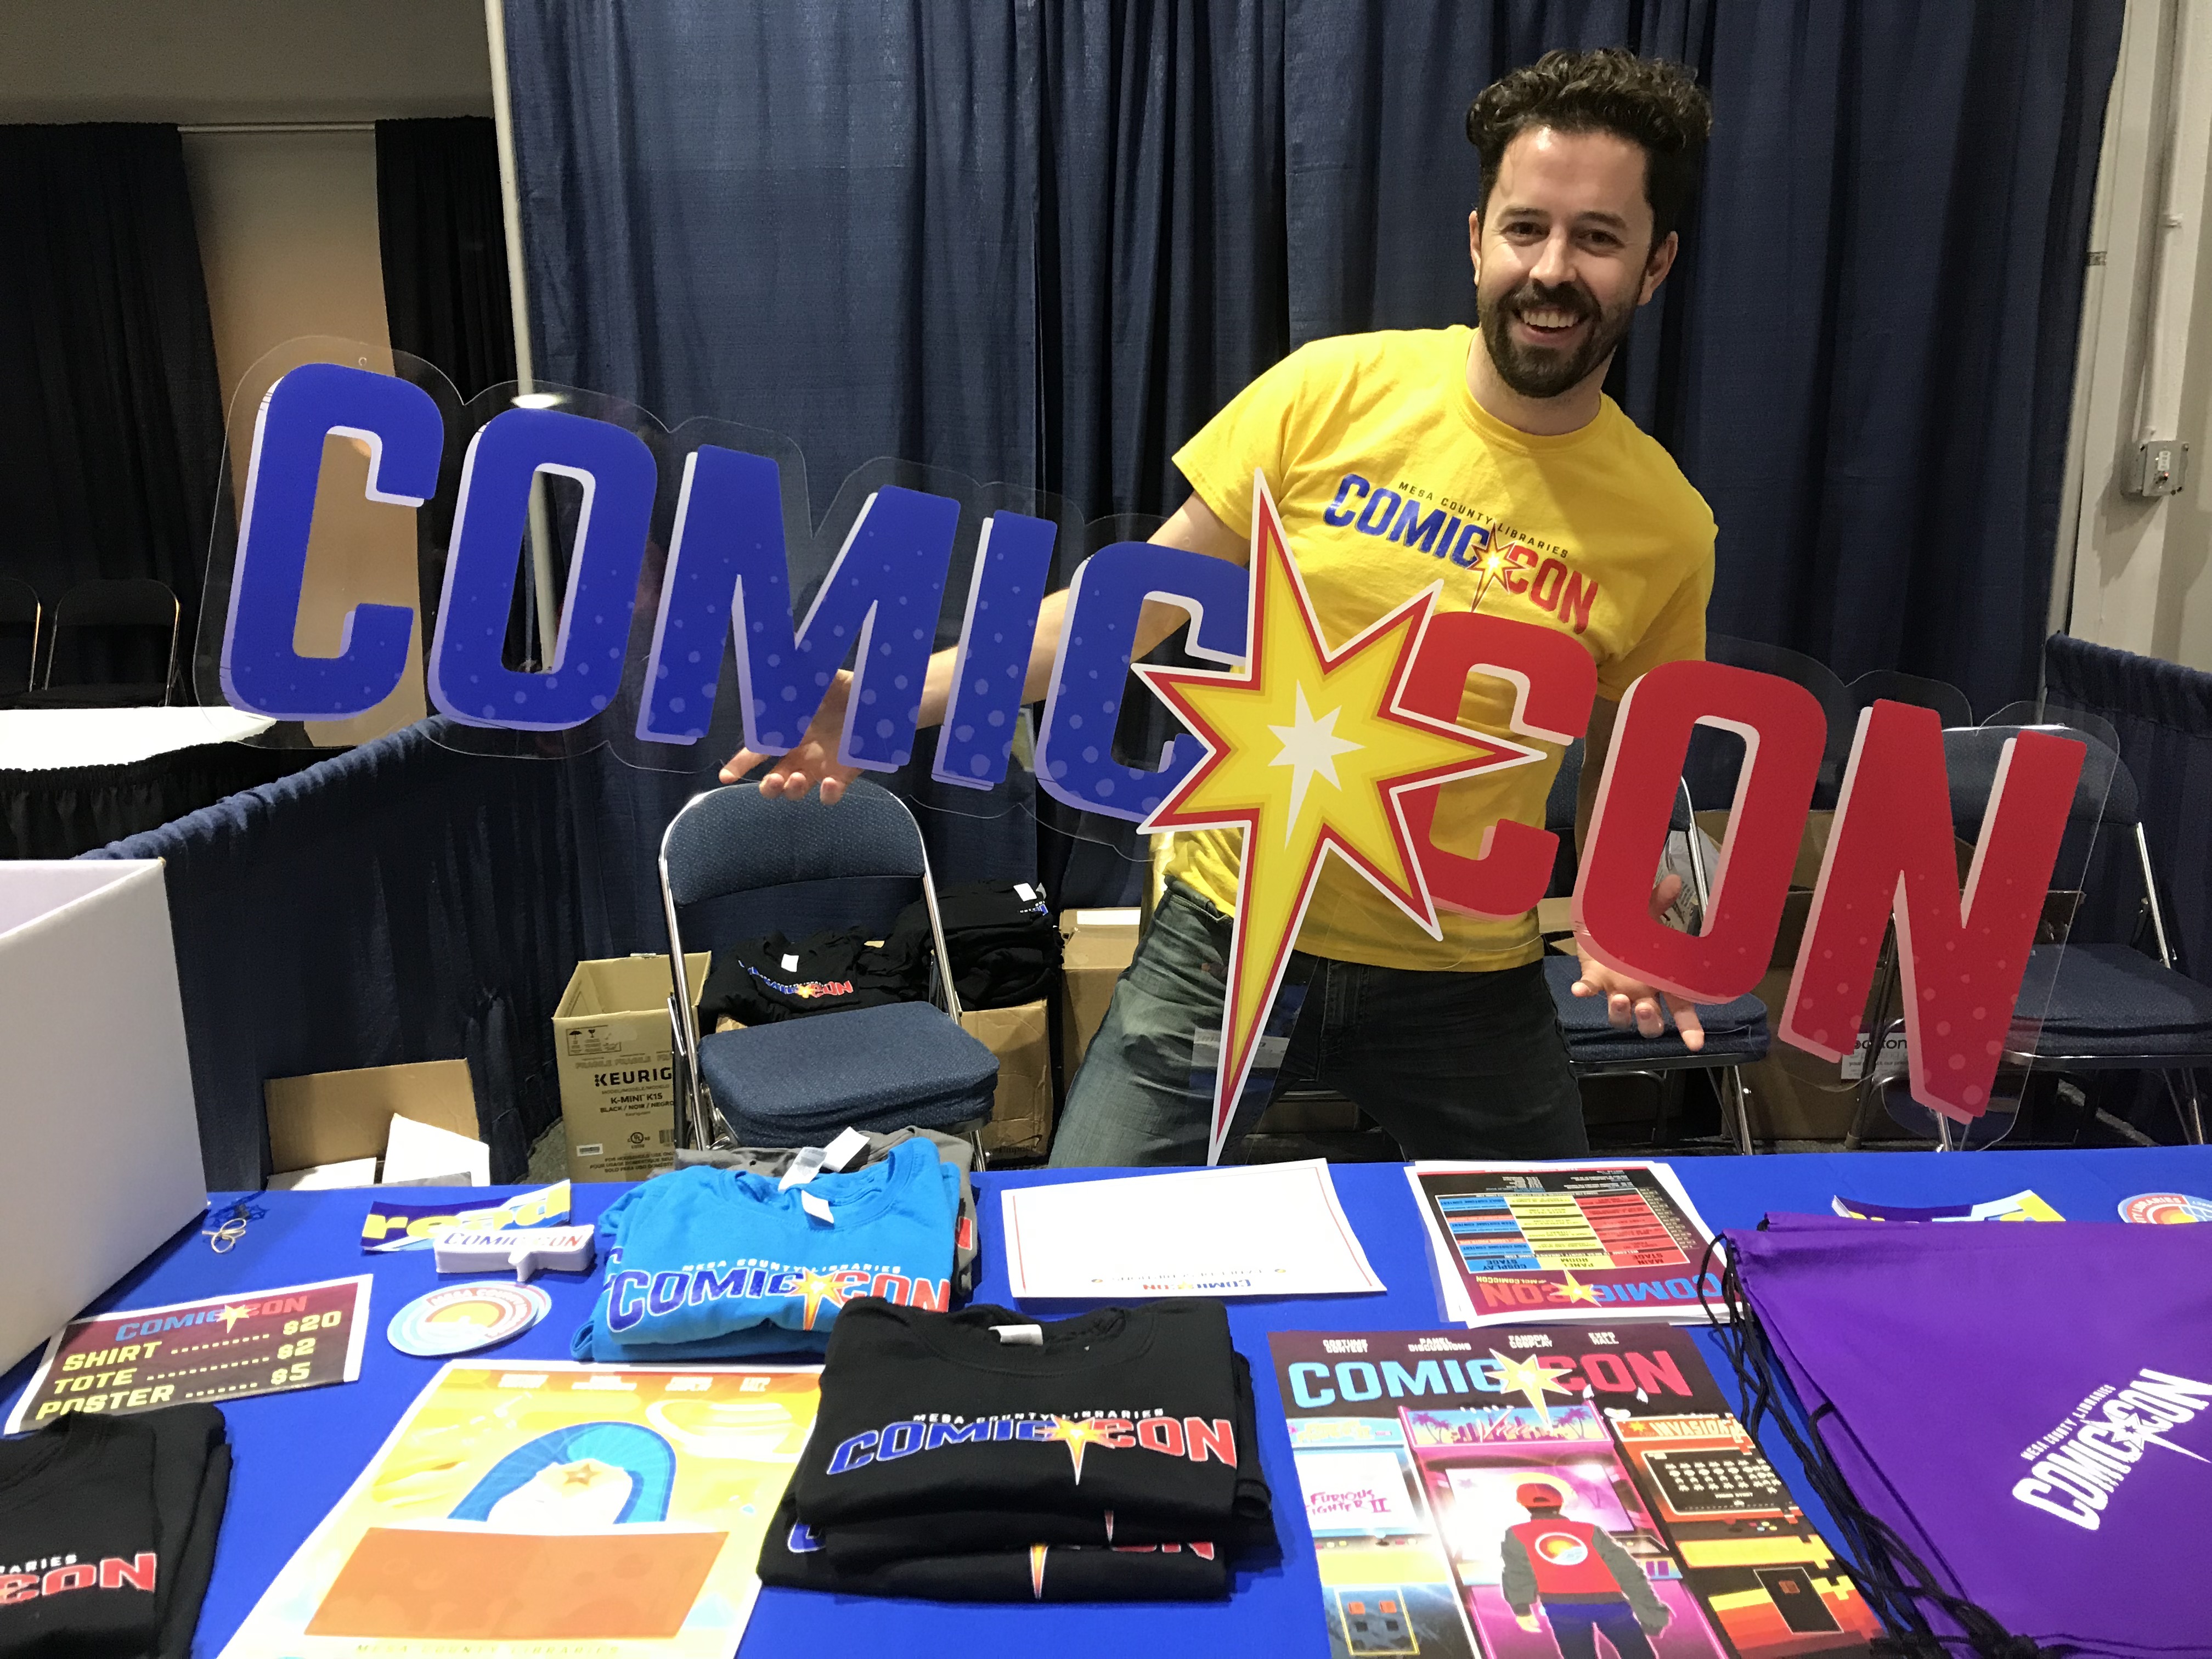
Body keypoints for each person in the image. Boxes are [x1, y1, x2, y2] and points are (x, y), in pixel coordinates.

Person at [723, 48, 1717, 1166]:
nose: (1552, 269)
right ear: (1478, 237)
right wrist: (882, 699)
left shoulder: (1667, 527)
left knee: (1555, 1252)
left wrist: (1638, 915)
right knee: (1084, 1240)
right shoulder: (1328, 395)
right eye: (1526, 228)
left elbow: (1634, 768)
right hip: (1228, 939)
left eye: (1598, 237)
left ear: (1656, 263)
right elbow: (1123, 611)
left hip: (1465, 986)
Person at [1500, 1482, 1671, 1659]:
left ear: (1523, 1504)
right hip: (1610, 1603)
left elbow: (1517, 1573)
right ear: (1560, 1503)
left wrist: (1522, 1610)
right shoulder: (1590, 1530)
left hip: (1562, 1607)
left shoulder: (1517, 1533)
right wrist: (1651, 1614)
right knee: (1639, 1655)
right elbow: (1628, 1570)